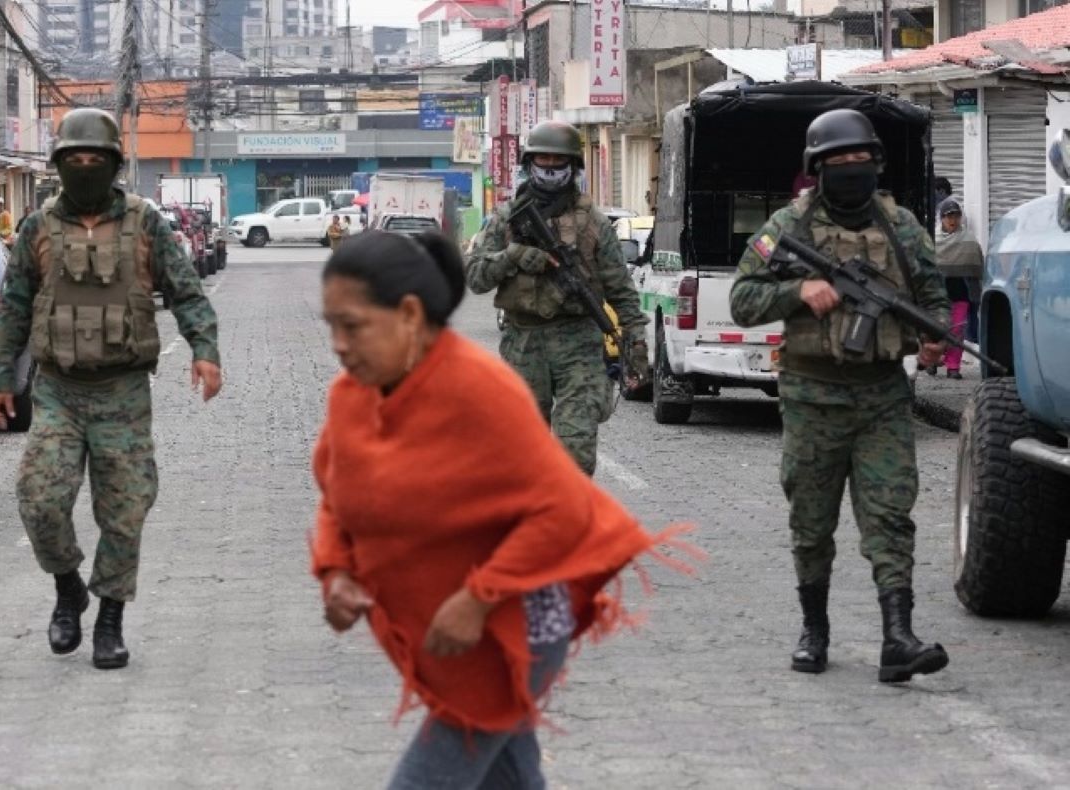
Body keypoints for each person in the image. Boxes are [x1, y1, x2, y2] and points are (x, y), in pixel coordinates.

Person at [313, 230, 697, 788]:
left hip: (520, 618)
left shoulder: (481, 389)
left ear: (410, 315)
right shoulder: (352, 395)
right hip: (454, 622)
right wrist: (337, 571)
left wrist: (477, 598)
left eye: (353, 326)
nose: (340, 345)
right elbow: (338, 495)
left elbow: (562, 510)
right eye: (332, 327)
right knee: (510, 775)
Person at [0, 108, 223, 670]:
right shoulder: (38, 228)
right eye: (75, 158)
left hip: (122, 391)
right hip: (58, 391)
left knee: (125, 510)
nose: (85, 166)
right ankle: (68, 587)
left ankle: (109, 618)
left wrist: (205, 350)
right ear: (60, 164)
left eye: (96, 158)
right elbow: (14, 306)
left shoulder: (147, 225)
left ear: (114, 163)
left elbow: (186, 292)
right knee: (40, 501)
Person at [729, 109, 951, 683]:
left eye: (860, 162)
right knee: (811, 520)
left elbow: (932, 299)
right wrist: (799, 291)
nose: (851, 172)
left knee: (890, 515)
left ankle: (897, 637)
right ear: (817, 169)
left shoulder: (902, 228)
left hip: (882, 398)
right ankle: (815, 629)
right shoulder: (788, 227)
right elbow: (742, 300)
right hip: (812, 396)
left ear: (876, 164)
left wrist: (932, 341)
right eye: (838, 164)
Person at [465, 120, 649, 476]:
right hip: (523, 342)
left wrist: (636, 339)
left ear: (573, 167)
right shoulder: (506, 220)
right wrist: (512, 256)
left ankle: (570, 523)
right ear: (529, 163)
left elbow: (621, 290)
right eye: (542, 160)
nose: (550, 168)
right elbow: (475, 278)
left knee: (575, 450)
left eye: (558, 161)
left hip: (578, 342)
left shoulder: (593, 223)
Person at [930, 197, 983, 379]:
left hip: (961, 292)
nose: (952, 220)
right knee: (934, 329)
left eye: (956, 216)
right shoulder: (932, 239)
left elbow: (977, 266)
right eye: (948, 216)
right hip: (936, 293)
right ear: (941, 219)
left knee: (957, 330)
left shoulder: (968, 239)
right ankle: (933, 359)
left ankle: (953, 367)